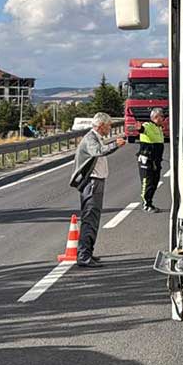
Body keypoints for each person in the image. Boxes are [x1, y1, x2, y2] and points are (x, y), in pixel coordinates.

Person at [71, 112, 125, 268]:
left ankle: (88, 252)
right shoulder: (90, 139)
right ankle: (83, 256)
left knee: (93, 219)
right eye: (108, 126)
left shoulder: (96, 138)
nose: (109, 129)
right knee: (90, 218)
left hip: (96, 181)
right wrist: (116, 144)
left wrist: (114, 144)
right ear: (101, 126)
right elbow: (98, 152)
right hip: (92, 183)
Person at [137, 108, 166, 213]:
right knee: (147, 182)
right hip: (147, 160)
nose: (163, 119)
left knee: (155, 181)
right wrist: (139, 128)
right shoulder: (148, 125)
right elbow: (142, 129)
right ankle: (146, 204)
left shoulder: (159, 128)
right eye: (161, 117)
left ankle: (150, 202)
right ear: (156, 117)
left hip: (156, 160)